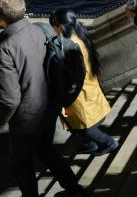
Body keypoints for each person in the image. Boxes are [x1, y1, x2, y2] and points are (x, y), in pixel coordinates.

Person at [0, 0, 85, 197]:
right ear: (24, 10)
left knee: (20, 164)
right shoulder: (42, 29)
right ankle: (74, 190)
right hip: (49, 107)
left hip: (26, 118)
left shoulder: (4, 50)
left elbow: (9, 99)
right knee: (45, 149)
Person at [48, 9, 118, 156]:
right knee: (79, 123)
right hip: (88, 87)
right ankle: (91, 144)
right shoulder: (80, 37)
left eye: (54, 26)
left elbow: (73, 74)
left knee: (86, 126)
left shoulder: (70, 44)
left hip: (79, 94)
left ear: (60, 26)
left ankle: (109, 142)